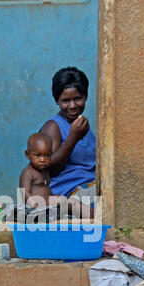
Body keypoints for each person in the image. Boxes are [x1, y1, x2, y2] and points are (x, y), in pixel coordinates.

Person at [40, 66, 96, 205]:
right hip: (68, 192)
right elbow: (50, 169)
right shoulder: (53, 127)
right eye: (65, 101)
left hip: (90, 186)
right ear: (57, 101)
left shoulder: (81, 125)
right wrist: (72, 138)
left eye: (77, 99)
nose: (72, 106)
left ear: (85, 97)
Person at [20, 133, 94, 219]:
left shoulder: (44, 171)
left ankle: (93, 215)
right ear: (27, 154)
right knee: (70, 203)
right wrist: (35, 205)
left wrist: (54, 199)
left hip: (47, 203)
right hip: (37, 205)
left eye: (47, 155)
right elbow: (24, 192)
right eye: (38, 155)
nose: (43, 159)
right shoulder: (28, 172)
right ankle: (94, 215)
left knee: (70, 202)